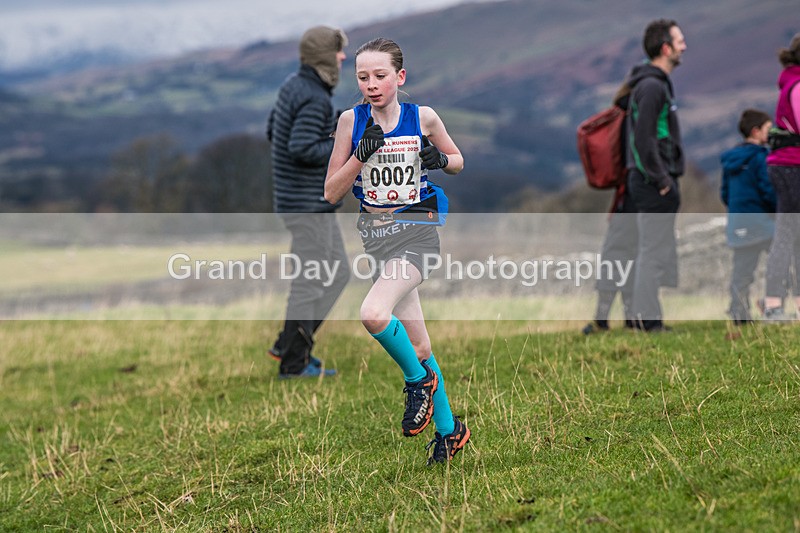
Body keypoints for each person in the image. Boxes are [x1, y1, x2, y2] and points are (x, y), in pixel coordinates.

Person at [323, 38, 470, 465]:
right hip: (377, 238)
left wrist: (439, 161)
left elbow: (458, 159)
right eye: (363, 77)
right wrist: (358, 158)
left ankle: (416, 383)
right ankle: (449, 431)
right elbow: (332, 191)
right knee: (421, 345)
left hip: (418, 233)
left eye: (380, 76)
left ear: (399, 77)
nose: (371, 84)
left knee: (373, 313)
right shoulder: (350, 122)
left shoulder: (421, 117)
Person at [266, 26, 351, 378]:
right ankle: (293, 361)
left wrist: (328, 130)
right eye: (338, 51)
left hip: (299, 201)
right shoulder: (315, 96)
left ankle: (290, 345)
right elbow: (300, 147)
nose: (343, 57)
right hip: (308, 205)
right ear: (323, 57)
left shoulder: (294, 85)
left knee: (335, 273)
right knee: (315, 279)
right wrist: (342, 146)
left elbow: (273, 130)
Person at [625, 19, 687, 332]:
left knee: (650, 250)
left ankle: (642, 317)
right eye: (679, 41)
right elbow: (643, 140)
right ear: (665, 48)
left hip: (651, 179)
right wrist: (663, 180)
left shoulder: (655, 83)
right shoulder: (651, 86)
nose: (684, 46)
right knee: (651, 251)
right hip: (652, 182)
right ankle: (648, 321)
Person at [583, 85, 638, 335]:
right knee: (627, 257)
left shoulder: (621, 114)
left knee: (616, 256)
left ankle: (604, 317)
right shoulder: (633, 115)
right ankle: (624, 317)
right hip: (633, 196)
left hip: (624, 198)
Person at [720, 109, 776, 325]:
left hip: (738, 222)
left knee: (742, 273)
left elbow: (725, 194)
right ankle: (772, 303)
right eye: (767, 130)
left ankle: (739, 313)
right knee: (783, 261)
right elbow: (768, 190)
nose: (770, 135)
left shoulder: (730, 160)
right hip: (762, 222)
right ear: (756, 131)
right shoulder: (760, 158)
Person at [762, 34, 800, 321]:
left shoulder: (791, 81)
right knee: (787, 234)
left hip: (786, 165)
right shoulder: (798, 84)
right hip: (791, 167)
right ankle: (773, 304)